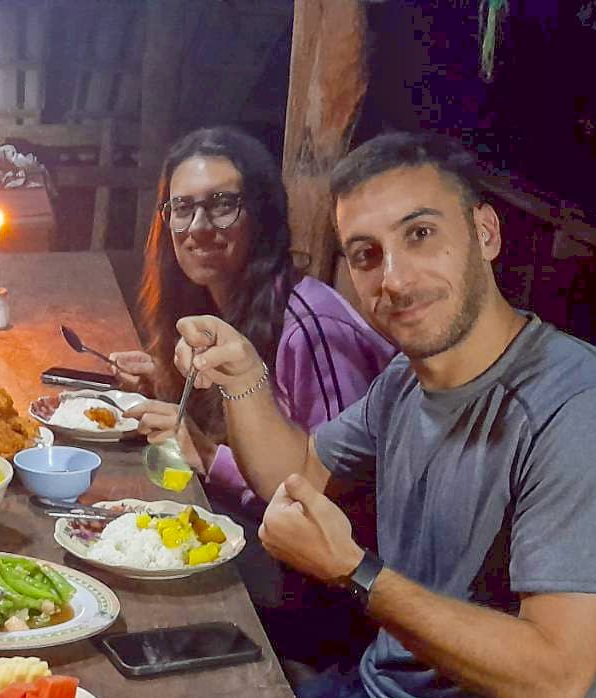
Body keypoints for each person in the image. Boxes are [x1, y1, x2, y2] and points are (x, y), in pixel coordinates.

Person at [168, 131, 596, 698]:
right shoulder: (407, 383)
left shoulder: (585, 416)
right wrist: (245, 378)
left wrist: (355, 574)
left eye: (421, 234)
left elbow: (555, 680)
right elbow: (298, 471)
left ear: (486, 233)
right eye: (364, 255)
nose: (393, 278)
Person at [111, 127, 395, 515]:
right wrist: (161, 382)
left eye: (222, 204)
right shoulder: (208, 301)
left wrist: (211, 457)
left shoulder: (311, 327)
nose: (197, 226)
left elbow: (335, 492)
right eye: (182, 208)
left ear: (262, 213)